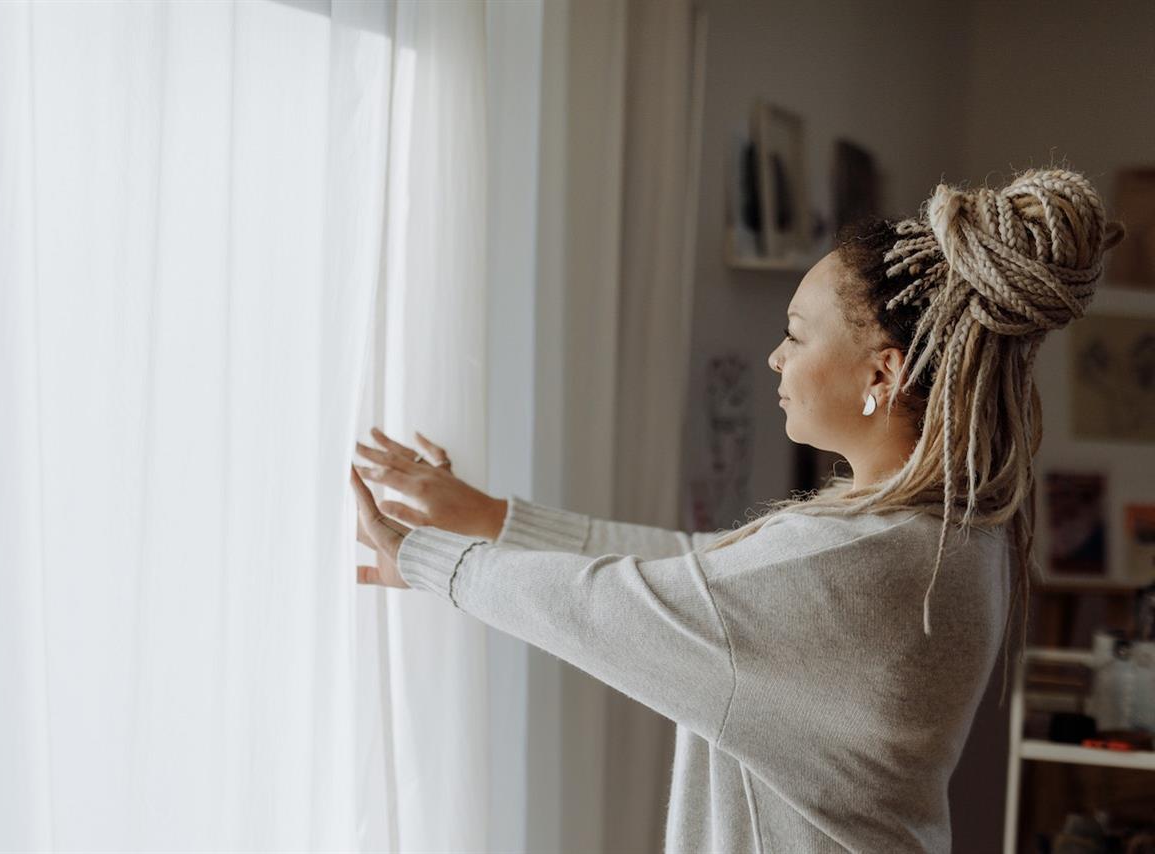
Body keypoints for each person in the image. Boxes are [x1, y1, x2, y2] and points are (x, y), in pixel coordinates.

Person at [349, 167, 1126, 853]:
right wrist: (488, 517)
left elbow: (622, 606)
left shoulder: (864, 561)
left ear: (883, 373)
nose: (776, 357)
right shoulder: (944, 528)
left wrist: (425, 558)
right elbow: (705, 575)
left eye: (795, 333)